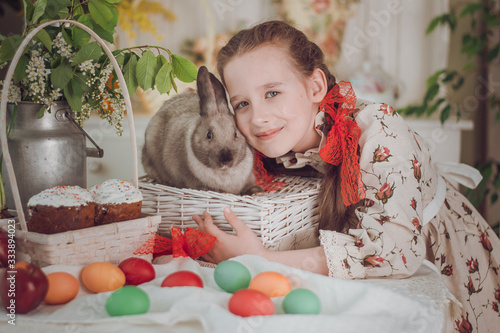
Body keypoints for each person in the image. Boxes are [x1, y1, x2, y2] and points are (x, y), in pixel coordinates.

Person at [192, 20, 500, 332]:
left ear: (315, 87)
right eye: (242, 104)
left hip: (445, 260)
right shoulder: (258, 147)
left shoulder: (377, 127)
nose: (257, 118)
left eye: (272, 92)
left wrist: (259, 258)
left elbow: (397, 252)